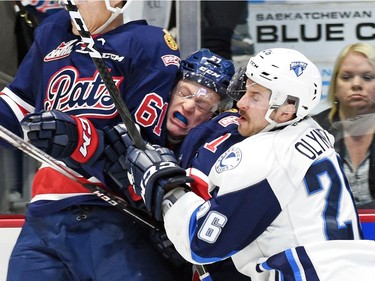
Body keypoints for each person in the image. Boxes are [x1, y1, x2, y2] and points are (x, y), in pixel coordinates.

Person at [124, 48, 365, 280]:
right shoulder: (314, 131)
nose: (241, 103)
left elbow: (202, 244)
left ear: (286, 110)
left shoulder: (264, 156)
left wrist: (169, 190)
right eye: (246, 90)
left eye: (255, 96)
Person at [1, 1, 183, 280]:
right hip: (44, 217)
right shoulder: (53, 32)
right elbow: (15, 108)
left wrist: (80, 138)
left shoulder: (149, 43)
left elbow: (143, 152)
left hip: (113, 216)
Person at [314, 43, 375, 209]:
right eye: (347, 77)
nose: (356, 84)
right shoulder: (313, 131)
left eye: (367, 77)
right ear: (335, 86)